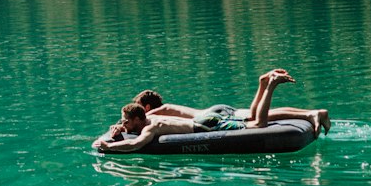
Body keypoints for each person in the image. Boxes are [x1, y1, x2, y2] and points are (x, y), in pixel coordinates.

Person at [92, 68, 327, 153]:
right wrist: (118, 131)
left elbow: (135, 145)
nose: (123, 124)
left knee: (257, 125)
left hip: (207, 124)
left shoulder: (151, 125)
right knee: (252, 118)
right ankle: (263, 83)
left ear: (138, 117)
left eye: (126, 121)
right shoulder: (153, 117)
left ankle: (271, 85)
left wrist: (108, 145)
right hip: (206, 118)